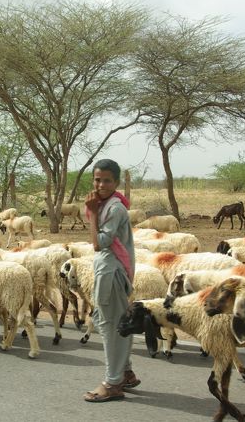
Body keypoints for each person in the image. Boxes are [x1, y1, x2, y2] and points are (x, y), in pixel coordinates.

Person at [82, 159, 140, 403]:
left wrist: (94, 214)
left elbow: (99, 243)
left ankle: (112, 382)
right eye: (97, 179)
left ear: (116, 183)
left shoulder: (113, 208)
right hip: (108, 270)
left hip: (111, 272)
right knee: (116, 321)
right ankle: (125, 372)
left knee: (110, 326)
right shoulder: (105, 204)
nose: (101, 184)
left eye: (107, 180)